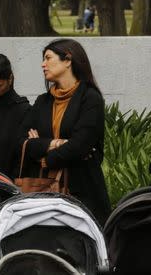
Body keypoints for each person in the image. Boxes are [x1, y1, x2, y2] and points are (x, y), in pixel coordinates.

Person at [21, 38, 110, 223]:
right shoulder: (42, 101)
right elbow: (24, 142)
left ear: (68, 60)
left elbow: (80, 145)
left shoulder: (90, 99)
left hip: (83, 192)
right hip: (44, 194)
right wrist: (58, 143)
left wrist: (45, 158)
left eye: (48, 58)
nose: (42, 64)